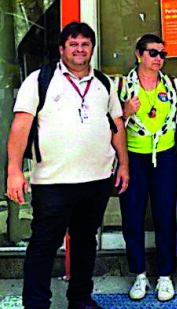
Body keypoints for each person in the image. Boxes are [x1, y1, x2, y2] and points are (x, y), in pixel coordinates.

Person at [5, 22, 129, 309]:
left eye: (85, 44)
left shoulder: (104, 83)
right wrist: (13, 171)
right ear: (62, 49)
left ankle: (81, 299)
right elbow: (20, 128)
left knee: (85, 243)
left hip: (97, 180)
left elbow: (117, 126)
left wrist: (123, 165)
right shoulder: (40, 80)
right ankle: (36, 304)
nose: (79, 49)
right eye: (73, 44)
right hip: (53, 183)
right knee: (44, 247)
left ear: (92, 49)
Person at [114, 33, 177, 302]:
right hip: (134, 157)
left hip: (166, 156)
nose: (159, 58)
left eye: (162, 54)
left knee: (165, 216)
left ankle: (166, 276)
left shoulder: (172, 85)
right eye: (153, 53)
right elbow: (109, 124)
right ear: (139, 54)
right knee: (132, 217)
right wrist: (125, 111)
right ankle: (139, 275)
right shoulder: (123, 86)